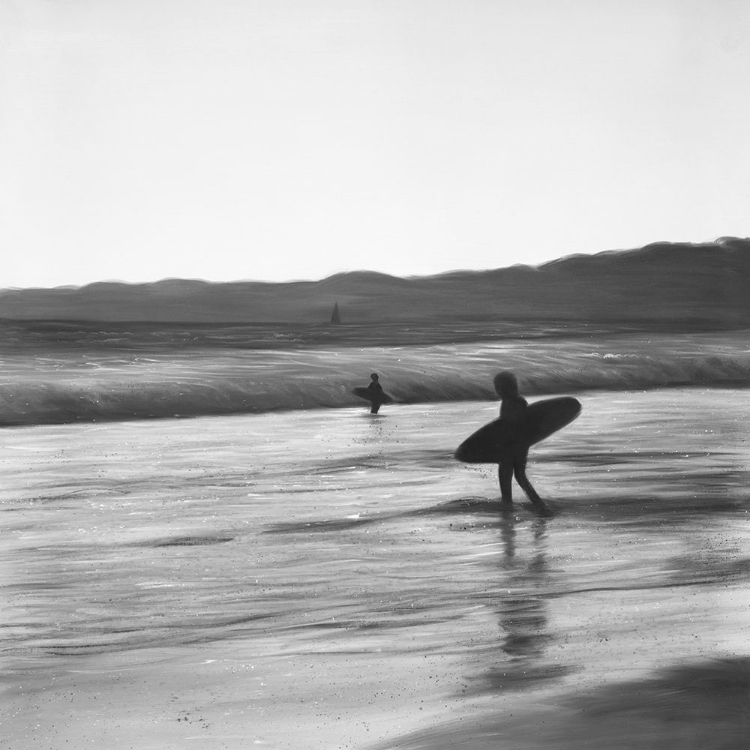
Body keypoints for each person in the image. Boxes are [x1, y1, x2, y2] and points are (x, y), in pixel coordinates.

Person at [493, 371, 549, 513]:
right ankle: (535, 506)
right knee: (514, 476)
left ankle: (516, 507)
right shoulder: (509, 402)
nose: (499, 391)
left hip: (514, 447)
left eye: (502, 388)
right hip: (514, 447)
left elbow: (517, 425)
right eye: (498, 388)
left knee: (515, 476)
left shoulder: (518, 402)